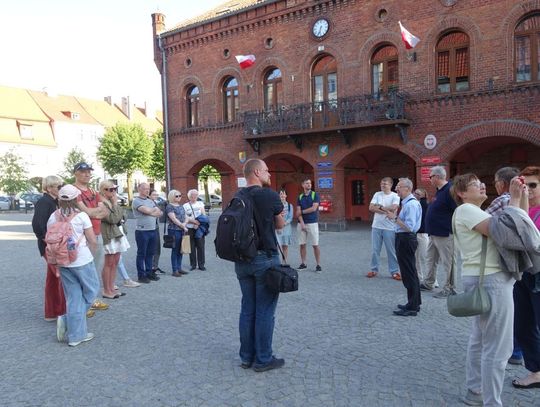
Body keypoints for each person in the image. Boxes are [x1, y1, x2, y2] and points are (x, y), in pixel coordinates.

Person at [450, 173, 524, 407]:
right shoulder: (466, 209)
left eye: (481, 183)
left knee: (480, 339)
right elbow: (507, 234)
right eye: (474, 184)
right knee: (498, 345)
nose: (482, 186)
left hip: (483, 278)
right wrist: (513, 199)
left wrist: (519, 198)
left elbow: (517, 221)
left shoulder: (477, 211)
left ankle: (475, 391)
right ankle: (492, 402)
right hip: (491, 279)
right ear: (461, 193)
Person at [235, 158, 285, 372]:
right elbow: (280, 225)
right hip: (264, 258)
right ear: (256, 172)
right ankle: (264, 359)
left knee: (248, 308)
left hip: (242, 260)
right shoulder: (269, 195)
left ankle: (247, 357)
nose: (269, 174)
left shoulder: (237, 196)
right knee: (265, 310)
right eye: (266, 170)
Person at [49, 185, 99, 347]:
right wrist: (91, 255)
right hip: (82, 260)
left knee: (74, 296)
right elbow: (92, 240)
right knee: (92, 291)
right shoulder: (81, 216)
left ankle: (77, 335)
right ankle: (67, 320)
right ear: (76, 199)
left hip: (63, 261)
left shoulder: (53, 216)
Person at [486, 167, 522, 366]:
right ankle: (520, 349)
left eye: (495, 181)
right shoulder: (526, 199)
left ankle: (513, 349)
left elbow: (483, 220)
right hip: (525, 259)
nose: (494, 185)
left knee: (511, 305)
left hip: (505, 259)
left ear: (503, 183)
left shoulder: (501, 200)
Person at [512, 166, 540, 389]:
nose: (528, 189)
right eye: (525, 185)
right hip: (524, 274)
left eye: (533, 185)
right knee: (523, 325)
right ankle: (536, 371)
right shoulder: (525, 209)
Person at [73, 162, 109, 312]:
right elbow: (87, 212)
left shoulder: (94, 191)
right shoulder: (73, 191)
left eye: (89, 172)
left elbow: (105, 211)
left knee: (94, 268)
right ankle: (83, 303)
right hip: (82, 236)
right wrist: (95, 211)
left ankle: (91, 299)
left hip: (96, 233)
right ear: (76, 173)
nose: (87, 174)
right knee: (82, 270)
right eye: (83, 171)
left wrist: (94, 212)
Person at [31, 175, 66, 321]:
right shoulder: (44, 202)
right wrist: (49, 241)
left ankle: (52, 312)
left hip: (53, 245)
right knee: (62, 276)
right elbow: (37, 225)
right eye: (59, 187)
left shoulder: (54, 201)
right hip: (50, 246)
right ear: (49, 187)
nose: (61, 189)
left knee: (53, 279)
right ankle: (62, 312)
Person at [421, 165, 458, 298]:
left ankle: (450, 288)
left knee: (448, 262)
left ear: (436, 177)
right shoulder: (440, 191)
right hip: (434, 233)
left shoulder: (450, 190)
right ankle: (429, 282)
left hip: (445, 233)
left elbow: (457, 211)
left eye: (430, 177)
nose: (429, 179)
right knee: (431, 259)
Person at [388, 178, 422, 316]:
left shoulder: (411, 205)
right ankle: (414, 302)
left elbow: (410, 227)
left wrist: (395, 218)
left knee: (409, 273)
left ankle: (412, 307)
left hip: (406, 239)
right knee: (410, 272)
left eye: (399, 187)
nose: (397, 190)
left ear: (407, 188)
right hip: (404, 238)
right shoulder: (407, 203)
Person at [99, 181, 130, 299]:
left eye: (114, 189)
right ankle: (106, 290)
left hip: (117, 233)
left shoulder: (111, 201)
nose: (114, 191)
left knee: (115, 261)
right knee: (109, 262)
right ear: (103, 190)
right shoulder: (102, 202)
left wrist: (116, 207)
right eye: (111, 189)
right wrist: (115, 204)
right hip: (108, 234)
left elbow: (124, 216)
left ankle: (112, 287)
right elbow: (113, 219)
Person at [367, 177, 401, 280]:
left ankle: (394, 272)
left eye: (385, 184)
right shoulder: (377, 194)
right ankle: (374, 270)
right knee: (375, 250)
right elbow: (371, 207)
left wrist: (380, 207)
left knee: (391, 251)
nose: (382, 185)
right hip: (376, 226)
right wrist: (386, 211)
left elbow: (394, 207)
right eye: (381, 183)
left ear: (390, 185)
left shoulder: (395, 196)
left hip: (389, 227)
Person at [132, 183, 163, 283]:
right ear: (139, 189)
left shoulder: (150, 201)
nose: (146, 190)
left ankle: (149, 273)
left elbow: (160, 213)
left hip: (153, 230)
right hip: (142, 231)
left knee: (150, 253)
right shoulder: (136, 201)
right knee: (142, 254)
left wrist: (151, 211)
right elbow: (146, 210)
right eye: (144, 189)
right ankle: (141, 276)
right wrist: (153, 211)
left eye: (148, 189)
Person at [296, 178, 321, 272]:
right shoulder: (300, 197)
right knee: (302, 244)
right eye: (307, 183)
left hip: (312, 223)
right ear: (303, 185)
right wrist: (301, 222)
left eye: (310, 183)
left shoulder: (315, 195)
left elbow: (314, 208)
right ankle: (303, 263)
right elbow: (297, 212)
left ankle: (318, 265)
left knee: (315, 245)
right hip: (301, 223)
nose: (309, 185)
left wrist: (302, 211)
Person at [166, 189, 189, 277]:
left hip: (182, 229)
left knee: (181, 249)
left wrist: (185, 224)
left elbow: (186, 216)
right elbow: (173, 219)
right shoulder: (169, 206)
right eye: (177, 196)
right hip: (174, 230)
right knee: (175, 250)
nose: (179, 197)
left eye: (180, 195)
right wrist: (183, 226)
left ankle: (179, 268)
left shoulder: (181, 206)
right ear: (172, 196)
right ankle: (174, 270)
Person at [183, 189, 207, 271]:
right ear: (189, 196)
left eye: (195, 195)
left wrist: (198, 223)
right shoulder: (185, 206)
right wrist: (193, 223)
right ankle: (193, 265)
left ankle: (201, 265)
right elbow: (185, 217)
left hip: (199, 228)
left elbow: (204, 215)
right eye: (192, 195)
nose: (194, 197)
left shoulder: (200, 204)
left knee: (201, 246)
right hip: (190, 228)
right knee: (192, 246)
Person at [413, 188, 429, 282]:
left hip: (423, 234)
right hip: (415, 234)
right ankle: (419, 277)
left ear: (423, 196)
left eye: (418, 194)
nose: (415, 195)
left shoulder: (424, 205)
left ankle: (431, 279)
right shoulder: (414, 204)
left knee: (425, 257)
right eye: (415, 193)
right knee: (416, 258)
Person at [150, 189, 166, 275]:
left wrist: (158, 212)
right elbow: (157, 213)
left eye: (156, 194)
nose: (156, 196)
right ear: (149, 195)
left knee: (157, 247)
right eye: (153, 194)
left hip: (156, 227)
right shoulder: (148, 203)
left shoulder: (155, 203)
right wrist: (157, 212)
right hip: (150, 228)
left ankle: (155, 266)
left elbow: (161, 213)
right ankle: (151, 267)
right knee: (152, 248)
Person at [276, 189, 293, 264]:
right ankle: (277, 262)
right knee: (277, 246)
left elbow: (290, 217)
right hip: (277, 229)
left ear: (286, 195)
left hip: (286, 229)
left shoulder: (290, 206)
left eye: (284, 194)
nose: (282, 195)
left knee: (285, 246)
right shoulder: (276, 205)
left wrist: (283, 224)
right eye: (281, 194)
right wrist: (278, 226)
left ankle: (284, 261)